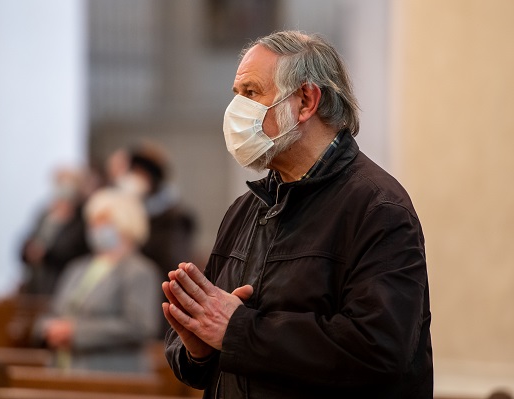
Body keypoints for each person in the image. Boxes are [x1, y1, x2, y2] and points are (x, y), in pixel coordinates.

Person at [162, 30, 432, 398]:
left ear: (306, 101)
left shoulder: (377, 207)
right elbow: (216, 343)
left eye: (251, 93)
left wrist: (237, 329)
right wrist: (197, 348)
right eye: (236, 95)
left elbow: (379, 352)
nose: (235, 110)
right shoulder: (246, 210)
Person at [32, 188, 161, 372]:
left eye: (103, 222)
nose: (96, 229)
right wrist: (47, 329)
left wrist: (75, 333)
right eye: (93, 223)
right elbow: (54, 311)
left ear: (125, 222)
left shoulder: (140, 271)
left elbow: (139, 327)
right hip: (64, 369)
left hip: (111, 375)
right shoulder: (77, 268)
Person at [108, 141, 196, 337]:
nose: (130, 178)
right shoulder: (128, 211)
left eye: (137, 172)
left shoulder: (174, 217)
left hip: (157, 297)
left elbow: (173, 262)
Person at [19, 166, 91, 296]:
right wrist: (30, 250)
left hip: (65, 284)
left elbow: (75, 250)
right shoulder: (45, 213)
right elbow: (29, 239)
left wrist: (46, 254)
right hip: (38, 283)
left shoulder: (82, 216)